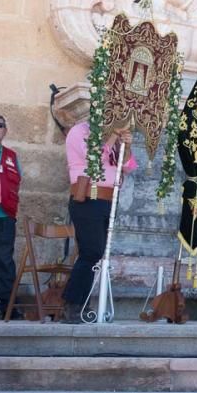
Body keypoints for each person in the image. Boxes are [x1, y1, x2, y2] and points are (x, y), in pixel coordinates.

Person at [59, 121, 136, 323]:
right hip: (88, 198)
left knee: (96, 253)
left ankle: (78, 304)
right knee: (91, 251)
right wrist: (112, 136)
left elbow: (128, 166)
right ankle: (72, 304)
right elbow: (93, 159)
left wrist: (126, 144)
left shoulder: (113, 134)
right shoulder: (80, 130)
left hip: (107, 200)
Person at [0, 113, 22, 320]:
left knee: (4, 263)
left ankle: (8, 308)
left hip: (4, 218)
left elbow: (16, 182)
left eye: (0, 125)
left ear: (5, 131)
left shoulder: (12, 156)